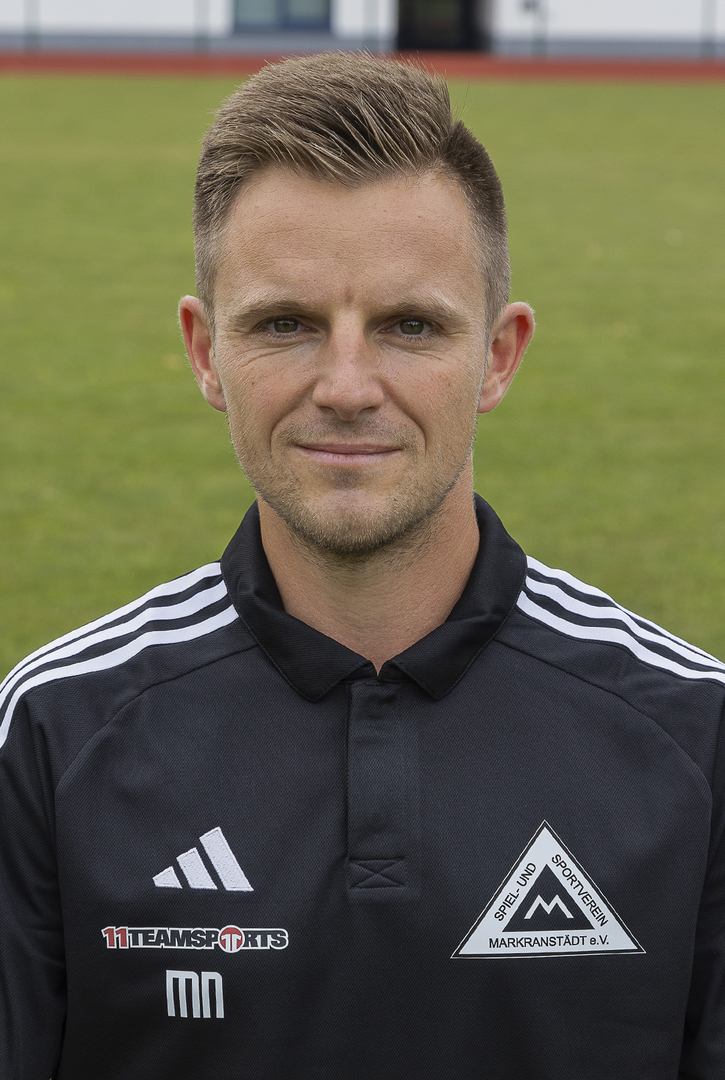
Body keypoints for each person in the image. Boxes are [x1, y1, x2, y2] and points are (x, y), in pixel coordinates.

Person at [1, 51, 724, 1080]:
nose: (346, 387)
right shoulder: (54, 731)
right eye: (285, 324)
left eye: (408, 326)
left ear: (497, 355)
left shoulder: (692, 734)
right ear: (206, 353)